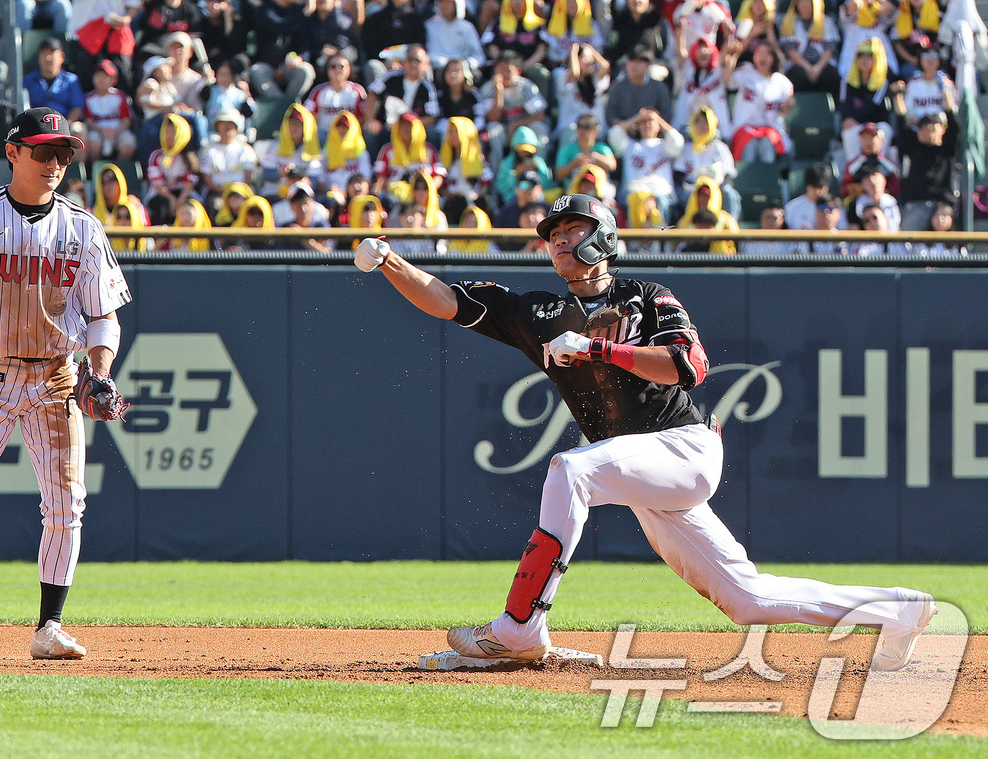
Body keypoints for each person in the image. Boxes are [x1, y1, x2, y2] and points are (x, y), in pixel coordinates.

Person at [351, 193, 939, 673]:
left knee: (571, 467)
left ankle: (521, 624)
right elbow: (449, 300)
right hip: (642, 471)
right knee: (747, 599)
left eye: (571, 230)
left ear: (603, 237)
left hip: (684, 448)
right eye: (551, 235)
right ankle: (900, 610)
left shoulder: (647, 297)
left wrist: (602, 349)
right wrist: (389, 262)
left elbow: (691, 367)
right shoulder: (541, 314)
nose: (558, 241)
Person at [0, 108, 132, 660]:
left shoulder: (83, 227)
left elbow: (104, 313)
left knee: (66, 503)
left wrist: (101, 372)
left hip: (56, 378)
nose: (55, 163)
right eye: (43, 152)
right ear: (13, 153)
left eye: (63, 154)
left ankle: (49, 627)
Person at [723, 37, 794, 161]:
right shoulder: (747, 72)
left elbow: (784, 112)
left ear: (774, 57)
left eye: (767, 54)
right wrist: (733, 56)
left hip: (770, 128)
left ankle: (767, 179)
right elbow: (727, 80)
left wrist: (787, 108)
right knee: (749, 146)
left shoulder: (782, 82)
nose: (762, 57)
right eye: (759, 52)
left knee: (767, 146)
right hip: (745, 126)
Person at [893, 109, 960, 231]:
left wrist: (948, 101)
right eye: (924, 126)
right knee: (908, 245)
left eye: (934, 125)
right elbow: (902, 125)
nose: (929, 129)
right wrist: (897, 94)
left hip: (942, 206)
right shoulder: (913, 148)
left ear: (942, 129)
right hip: (916, 205)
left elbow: (954, 128)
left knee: (945, 245)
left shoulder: (947, 150)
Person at [780, 0, 841, 95]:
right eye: (802, 2)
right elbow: (790, 50)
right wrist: (808, 68)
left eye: (808, 2)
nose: (805, 5)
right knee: (797, 76)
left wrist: (817, 68)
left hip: (821, 64)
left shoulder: (826, 22)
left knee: (830, 75)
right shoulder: (789, 23)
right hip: (799, 64)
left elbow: (829, 50)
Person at [83, 60, 137, 162]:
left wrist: (113, 133)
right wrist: (102, 131)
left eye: (105, 76)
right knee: (92, 144)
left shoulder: (120, 96)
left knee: (129, 144)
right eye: (98, 75)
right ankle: (97, 171)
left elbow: (127, 121)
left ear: (113, 79)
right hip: (97, 131)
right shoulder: (89, 98)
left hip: (118, 130)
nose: (101, 79)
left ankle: (116, 171)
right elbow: (88, 121)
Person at [425, 0, 485, 72]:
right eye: (442, 2)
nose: (444, 6)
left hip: (463, 69)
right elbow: (429, 53)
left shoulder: (467, 27)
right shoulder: (430, 26)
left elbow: (478, 56)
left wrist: (464, 64)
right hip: (438, 69)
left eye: (448, 3)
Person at [784, 162, 840, 230]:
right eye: (814, 188)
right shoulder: (791, 207)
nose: (818, 192)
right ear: (808, 186)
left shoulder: (835, 208)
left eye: (822, 188)